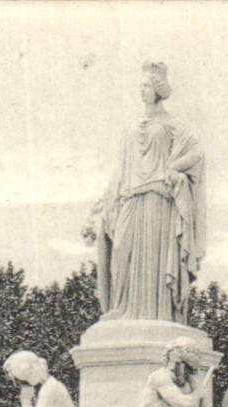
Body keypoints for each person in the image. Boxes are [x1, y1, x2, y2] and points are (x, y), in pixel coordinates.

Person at [89, 61, 205, 323]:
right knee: (120, 252)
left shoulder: (175, 125)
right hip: (129, 197)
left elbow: (197, 153)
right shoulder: (130, 127)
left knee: (153, 259)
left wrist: (174, 167)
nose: (142, 91)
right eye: (140, 85)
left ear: (159, 88)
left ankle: (156, 313)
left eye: (147, 85)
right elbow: (120, 167)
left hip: (157, 200)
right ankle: (120, 307)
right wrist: (104, 200)